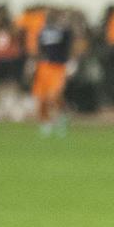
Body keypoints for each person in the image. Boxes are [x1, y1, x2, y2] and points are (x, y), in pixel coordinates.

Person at [32, 8, 73, 137]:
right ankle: (45, 122)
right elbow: (40, 49)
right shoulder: (43, 31)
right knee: (41, 97)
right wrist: (33, 63)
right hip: (44, 66)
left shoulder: (64, 31)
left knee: (55, 95)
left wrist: (70, 63)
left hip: (58, 67)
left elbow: (69, 47)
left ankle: (62, 117)